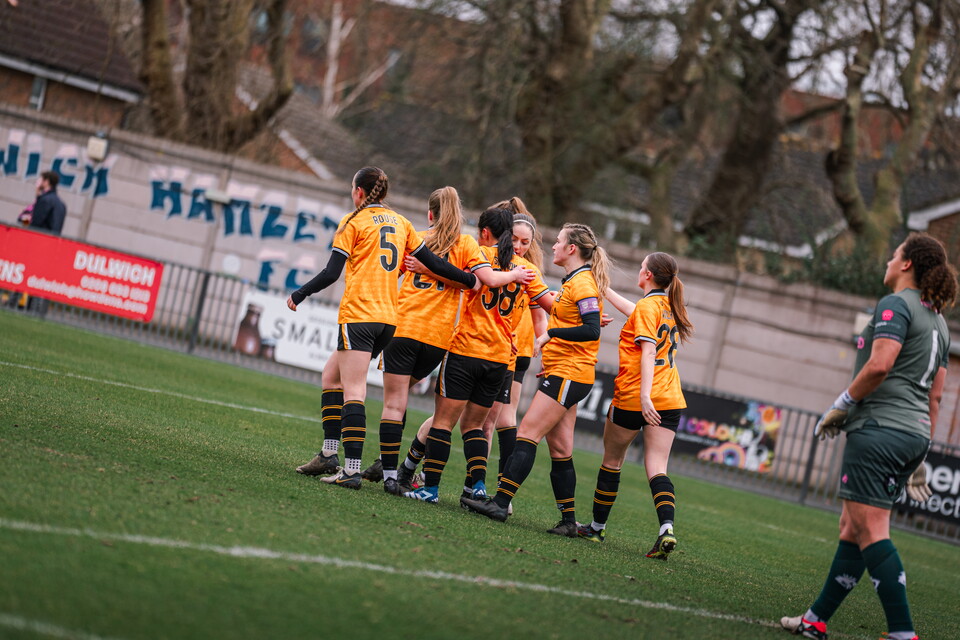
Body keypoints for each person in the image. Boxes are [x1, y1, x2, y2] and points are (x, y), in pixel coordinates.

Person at [290, 168, 529, 489]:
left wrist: (302, 291)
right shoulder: (445, 239)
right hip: (430, 333)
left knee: (376, 396)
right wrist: (473, 278)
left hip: (387, 319)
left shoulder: (393, 230)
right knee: (336, 376)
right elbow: (457, 273)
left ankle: (363, 468)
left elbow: (373, 269)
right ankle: (345, 456)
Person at [781, 232, 955, 640]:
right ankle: (815, 620)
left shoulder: (897, 304)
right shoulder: (941, 323)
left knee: (872, 529)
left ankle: (902, 633)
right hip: (912, 434)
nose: (889, 262)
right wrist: (920, 451)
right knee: (852, 527)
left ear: (907, 264)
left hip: (879, 429)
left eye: (894, 255)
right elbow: (937, 396)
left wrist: (842, 403)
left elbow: (880, 365)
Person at [359, 186, 531, 494]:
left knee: (399, 406)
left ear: (430, 215)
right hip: (441, 340)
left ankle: (387, 472)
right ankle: (468, 485)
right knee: (476, 424)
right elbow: (478, 282)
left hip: (413, 329)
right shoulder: (468, 245)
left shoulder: (418, 239)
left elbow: (389, 274)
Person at [462, 223, 610, 537]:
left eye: (558, 242)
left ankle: (500, 504)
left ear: (571, 249)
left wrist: (550, 335)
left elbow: (592, 330)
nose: (552, 247)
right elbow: (581, 320)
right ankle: (569, 522)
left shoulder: (582, 282)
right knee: (560, 449)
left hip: (568, 374)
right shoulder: (575, 281)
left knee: (527, 433)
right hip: (566, 372)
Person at [402, 206, 551, 504]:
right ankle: (479, 487)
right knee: (475, 427)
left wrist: (425, 267)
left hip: (465, 350)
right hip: (498, 359)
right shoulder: (527, 271)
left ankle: (430, 489)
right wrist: (585, 318)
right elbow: (550, 305)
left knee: (444, 422)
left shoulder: (480, 255)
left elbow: (463, 280)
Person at [575, 252, 693, 560]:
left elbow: (647, 350)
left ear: (649, 276)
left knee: (613, 460)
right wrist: (606, 290)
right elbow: (635, 311)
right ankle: (666, 529)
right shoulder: (670, 306)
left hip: (635, 396)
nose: (639, 271)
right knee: (657, 467)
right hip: (669, 399)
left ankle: (596, 528)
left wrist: (643, 397)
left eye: (642, 267)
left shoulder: (647, 306)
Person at [29, 171, 66, 235]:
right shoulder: (61, 204)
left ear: (46, 182)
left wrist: (25, 222)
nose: (37, 182)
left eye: (40, 180)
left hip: (40, 237)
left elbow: (36, 222)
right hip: (52, 240)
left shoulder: (45, 200)